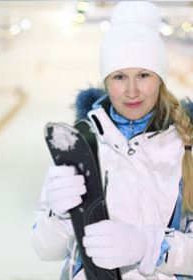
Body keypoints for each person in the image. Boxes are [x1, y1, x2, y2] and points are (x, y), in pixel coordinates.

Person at [31, 1, 193, 280]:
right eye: (119, 77)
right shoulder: (81, 144)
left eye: (143, 75)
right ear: (106, 81)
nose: (132, 91)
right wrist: (60, 216)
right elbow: (46, 250)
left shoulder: (185, 144)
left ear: (160, 79)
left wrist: (149, 246)